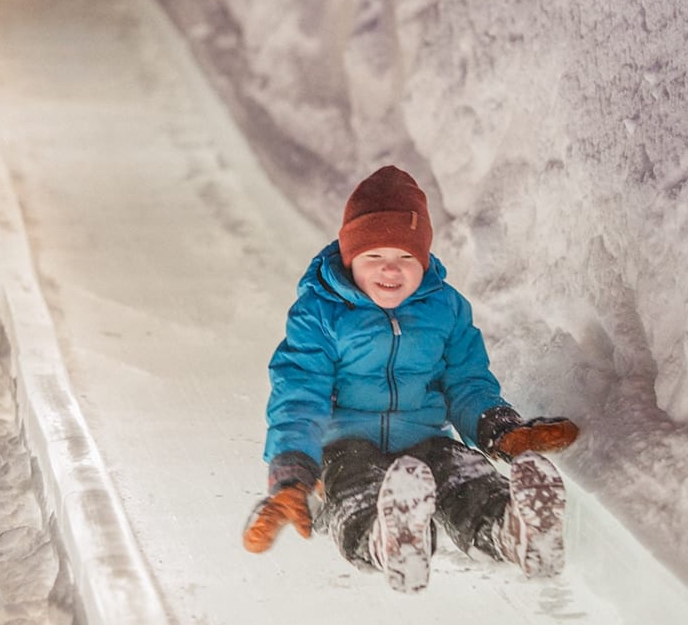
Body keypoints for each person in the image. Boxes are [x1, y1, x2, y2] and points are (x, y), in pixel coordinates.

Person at [242, 165, 579, 592]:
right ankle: (388, 540)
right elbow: (299, 394)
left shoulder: (446, 309)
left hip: (424, 438)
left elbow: (466, 382)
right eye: (374, 257)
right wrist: (292, 473)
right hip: (344, 444)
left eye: (406, 257)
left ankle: (511, 529)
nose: (391, 270)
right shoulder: (320, 314)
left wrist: (499, 429)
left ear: (423, 259)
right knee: (355, 490)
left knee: (465, 475)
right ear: (350, 259)